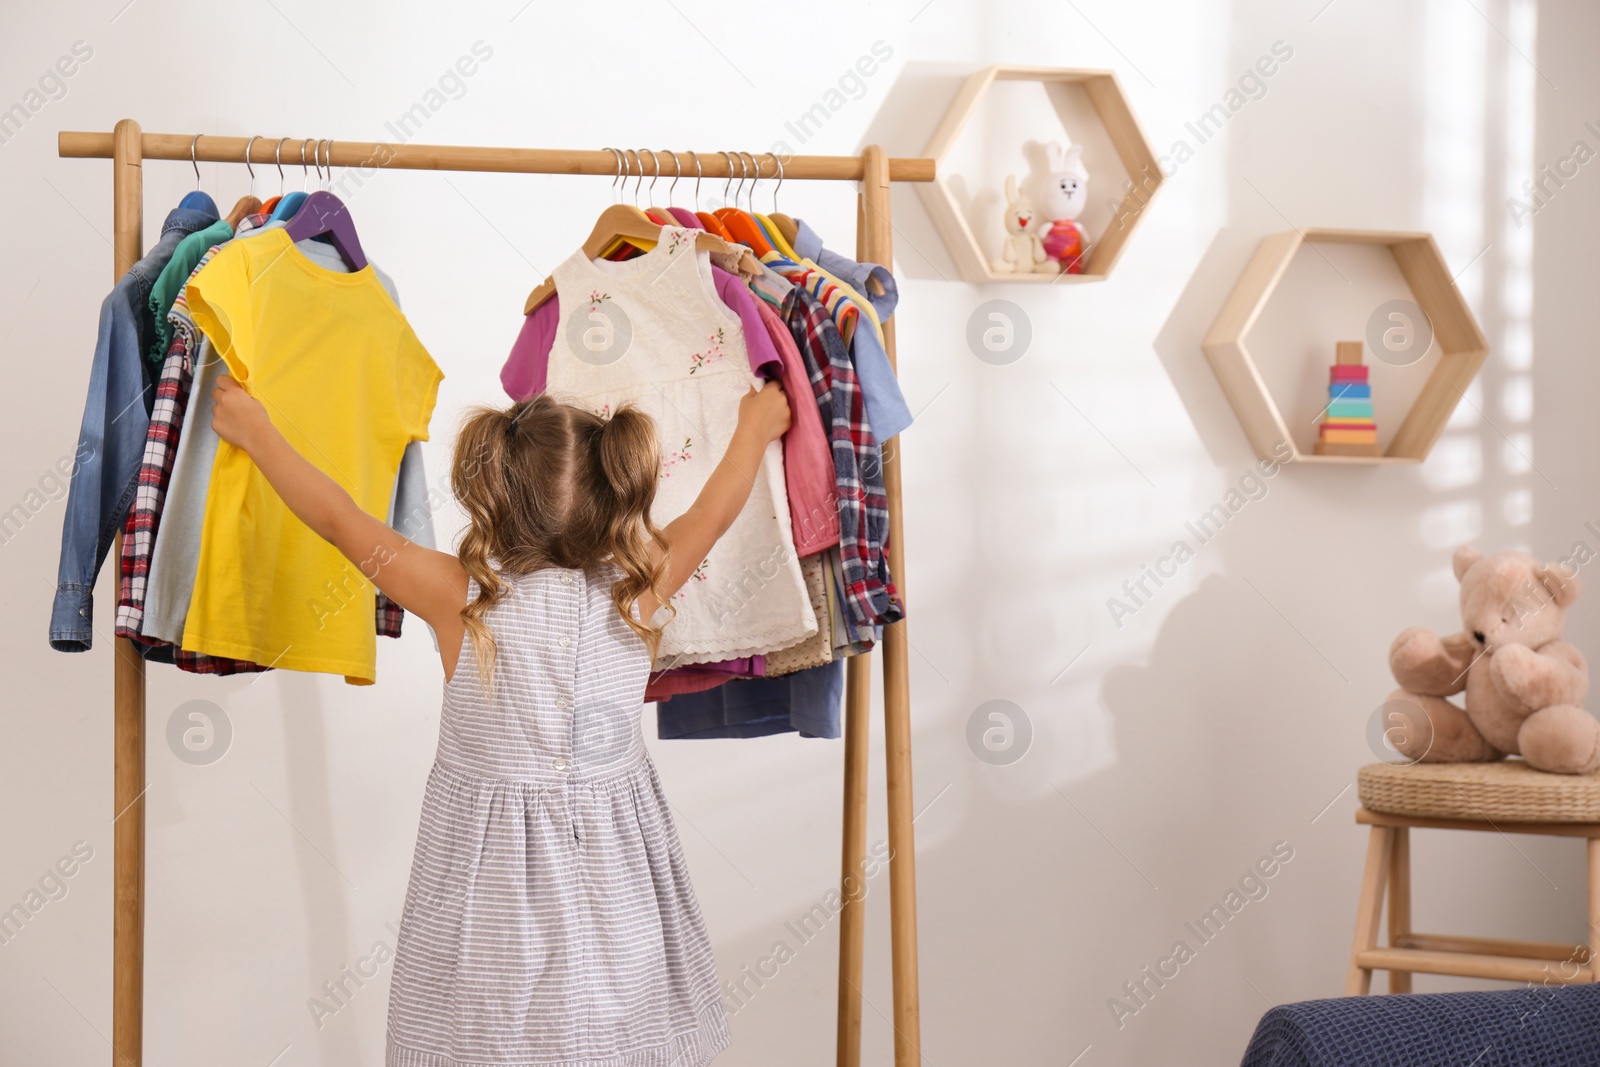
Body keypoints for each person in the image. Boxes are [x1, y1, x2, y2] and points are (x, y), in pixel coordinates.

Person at [210, 371, 791, 1066]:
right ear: (610, 496)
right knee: (615, 1029)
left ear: (497, 494)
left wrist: (259, 434)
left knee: (487, 1035)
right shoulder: (640, 586)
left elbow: (340, 520)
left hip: (491, 896)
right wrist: (755, 428)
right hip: (615, 882)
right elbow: (715, 511)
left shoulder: (461, 598)